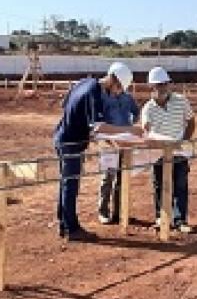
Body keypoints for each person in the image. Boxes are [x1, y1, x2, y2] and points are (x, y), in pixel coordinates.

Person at [53, 63, 141, 240]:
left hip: (63, 136)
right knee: (70, 185)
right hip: (71, 142)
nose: (117, 92)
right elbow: (99, 127)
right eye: (118, 88)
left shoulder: (84, 82)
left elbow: (66, 106)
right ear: (113, 80)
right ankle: (72, 229)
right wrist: (130, 130)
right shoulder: (95, 93)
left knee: (66, 183)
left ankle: (65, 224)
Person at [141, 67, 196, 233]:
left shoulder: (181, 101)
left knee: (180, 184)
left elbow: (191, 121)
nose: (163, 88)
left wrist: (184, 140)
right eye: (159, 85)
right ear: (152, 87)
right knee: (159, 184)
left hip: (179, 151)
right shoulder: (148, 108)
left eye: (165, 84)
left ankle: (180, 220)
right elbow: (145, 129)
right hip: (158, 153)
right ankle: (161, 218)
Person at [97, 85, 140, 224]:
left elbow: (136, 112)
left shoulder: (128, 98)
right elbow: (98, 119)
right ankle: (103, 211)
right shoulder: (103, 98)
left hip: (125, 143)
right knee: (107, 177)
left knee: (123, 178)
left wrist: (130, 124)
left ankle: (119, 212)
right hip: (108, 143)